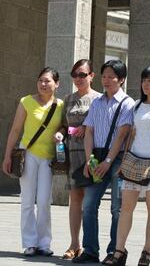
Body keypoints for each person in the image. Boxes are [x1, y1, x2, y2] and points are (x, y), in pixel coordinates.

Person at [109, 66, 150, 266]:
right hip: (134, 160)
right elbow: (132, 134)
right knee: (125, 207)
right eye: (144, 79)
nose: (146, 84)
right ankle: (119, 251)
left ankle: (147, 251)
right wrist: (125, 160)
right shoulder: (136, 105)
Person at [72, 60, 135, 264]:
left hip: (117, 159)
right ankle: (90, 249)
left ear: (121, 79)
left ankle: (115, 251)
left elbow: (122, 134)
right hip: (97, 156)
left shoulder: (127, 103)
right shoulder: (97, 102)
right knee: (89, 205)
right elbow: (89, 131)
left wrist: (108, 161)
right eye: (104, 76)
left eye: (111, 77)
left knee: (117, 208)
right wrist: (90, 160)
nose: (106, 80)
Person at [2, 67, 64, 257]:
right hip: (27, 155)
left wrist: (60, 132)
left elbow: (64, 125)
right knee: (27, 200)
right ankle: (30, 243)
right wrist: (7, 156)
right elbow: (15, 130)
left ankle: (44, 243)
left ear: (57, 84)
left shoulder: (61, 105)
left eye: (47, 81)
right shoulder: (26, 102)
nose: (43, 84)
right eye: (40, 80)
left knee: (44, 201)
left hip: (47, 158)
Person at [54, 59, 101, 260]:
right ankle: (75, 244)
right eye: (75, 75)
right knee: (75, 199)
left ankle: (91, 246)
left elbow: (105, 126)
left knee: (90, 202)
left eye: (82, 75)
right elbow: (64, 125)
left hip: (92, 155)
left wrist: (87, 128)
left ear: (92, 76)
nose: (78, 79)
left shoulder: (99, 99)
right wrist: (60, 133)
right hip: (73, 153)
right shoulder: (68, 99)